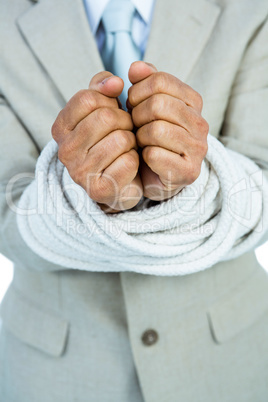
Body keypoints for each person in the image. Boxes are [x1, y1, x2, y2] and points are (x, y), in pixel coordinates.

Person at [0, 0, 268, 401]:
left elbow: (262, 189)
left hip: (225, 363)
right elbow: (7, 216)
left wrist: (184, 190)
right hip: (55, 375)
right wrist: (90, 198)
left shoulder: (252, 9)